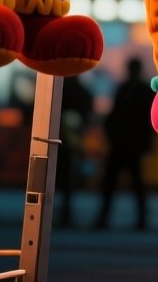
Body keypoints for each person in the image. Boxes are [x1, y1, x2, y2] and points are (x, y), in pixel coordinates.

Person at [96, 58, 156, 230]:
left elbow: (114, 115)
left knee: (111, 183)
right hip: (133, 144)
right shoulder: (145, 90)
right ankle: (141, 220)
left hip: (120, 142)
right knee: (136, 184)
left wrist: (110, 135)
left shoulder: (123, 88)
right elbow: (150, 120)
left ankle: (104, 218)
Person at [55, 75, 94, 227]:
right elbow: (88, 115)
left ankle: (57, 211)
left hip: (57, 140)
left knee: (57, 177)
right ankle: (66, 211)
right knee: (69, 178)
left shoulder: (60, 90)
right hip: (74, 142)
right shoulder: (82, 91)